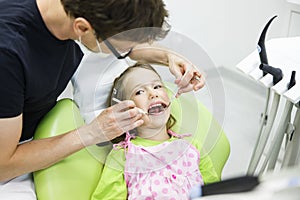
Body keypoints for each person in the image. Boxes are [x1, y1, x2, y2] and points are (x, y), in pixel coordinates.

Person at [0, 0, 204, 198]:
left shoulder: (76, 10)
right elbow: (3, 166)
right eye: (121, 49)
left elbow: (128, 46)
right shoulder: (8, 55)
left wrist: (167, 57)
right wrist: (93, 132)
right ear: (82, 28)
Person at [91, 63, 218, 200]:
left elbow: (217, 192)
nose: (153, 94)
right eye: (139, 91)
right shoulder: (123, 155)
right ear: (126, 112)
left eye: (157, 86)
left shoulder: (192, 147)